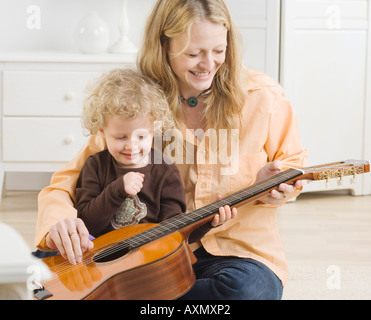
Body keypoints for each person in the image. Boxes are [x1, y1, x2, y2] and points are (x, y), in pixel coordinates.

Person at [35, 0, 308, 300]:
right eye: (193, 54)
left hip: (238, 254)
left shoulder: (263, 97)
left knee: (250, 292)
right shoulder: (136, 101)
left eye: (219, 51)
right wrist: (60, 221)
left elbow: (293, 164)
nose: (209, 65)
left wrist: (278, 188)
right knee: (38, 273)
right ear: (163, 47)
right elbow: (63, 186)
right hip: (147, 255)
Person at [75, 68, 234, 249]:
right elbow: (87, 224)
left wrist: (208, 222)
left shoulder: (165, 171)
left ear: (154, 131)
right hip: (101, 260)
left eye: (141, 137)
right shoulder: (95, 166)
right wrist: (117, 190)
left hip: (147, 261)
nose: (131, 145)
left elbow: (175, 233)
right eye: (121, 137)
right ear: (103, 133)